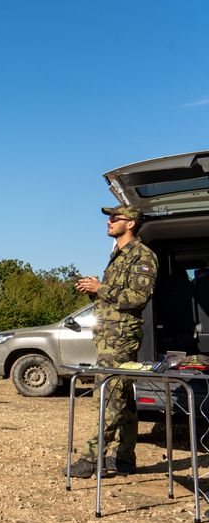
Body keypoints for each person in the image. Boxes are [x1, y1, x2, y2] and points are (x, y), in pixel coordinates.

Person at [65, 204, 158, 478]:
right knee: (124, 397)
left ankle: (91, 459)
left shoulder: (143, 255)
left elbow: (138, 298)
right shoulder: (116, 255)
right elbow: (114, 299)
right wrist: (93, 290)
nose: (109, 221)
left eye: (115, 218)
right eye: (109, 218)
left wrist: (101, 288)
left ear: (130, 223)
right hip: (108, 337)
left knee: (109, 394)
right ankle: (125, 458)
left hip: (121, 338)